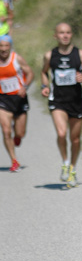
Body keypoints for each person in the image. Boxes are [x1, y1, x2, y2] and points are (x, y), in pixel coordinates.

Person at [41, 22, 82, 188]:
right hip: (57, 101)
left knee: (76, 139)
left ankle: (72, 168)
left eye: (68, 33)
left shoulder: (80, 54)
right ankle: (64, 162)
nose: (65, 35)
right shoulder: (50, 55)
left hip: (76, 101)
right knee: (62, 133)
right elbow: (44, 72)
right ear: (55, 36)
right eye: (61, 33)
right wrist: (45, 86)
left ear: (71, 35)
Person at [0, 34, 34, 172]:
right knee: (6, 130)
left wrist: (24, 87)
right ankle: (14, 160)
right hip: (3, 99)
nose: (3, 49)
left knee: (20, 133)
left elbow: (30, 73)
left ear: (10, 47)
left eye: (6, 46)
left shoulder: (17, 59)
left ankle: (17, 135)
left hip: (19, 98)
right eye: (1, 46)